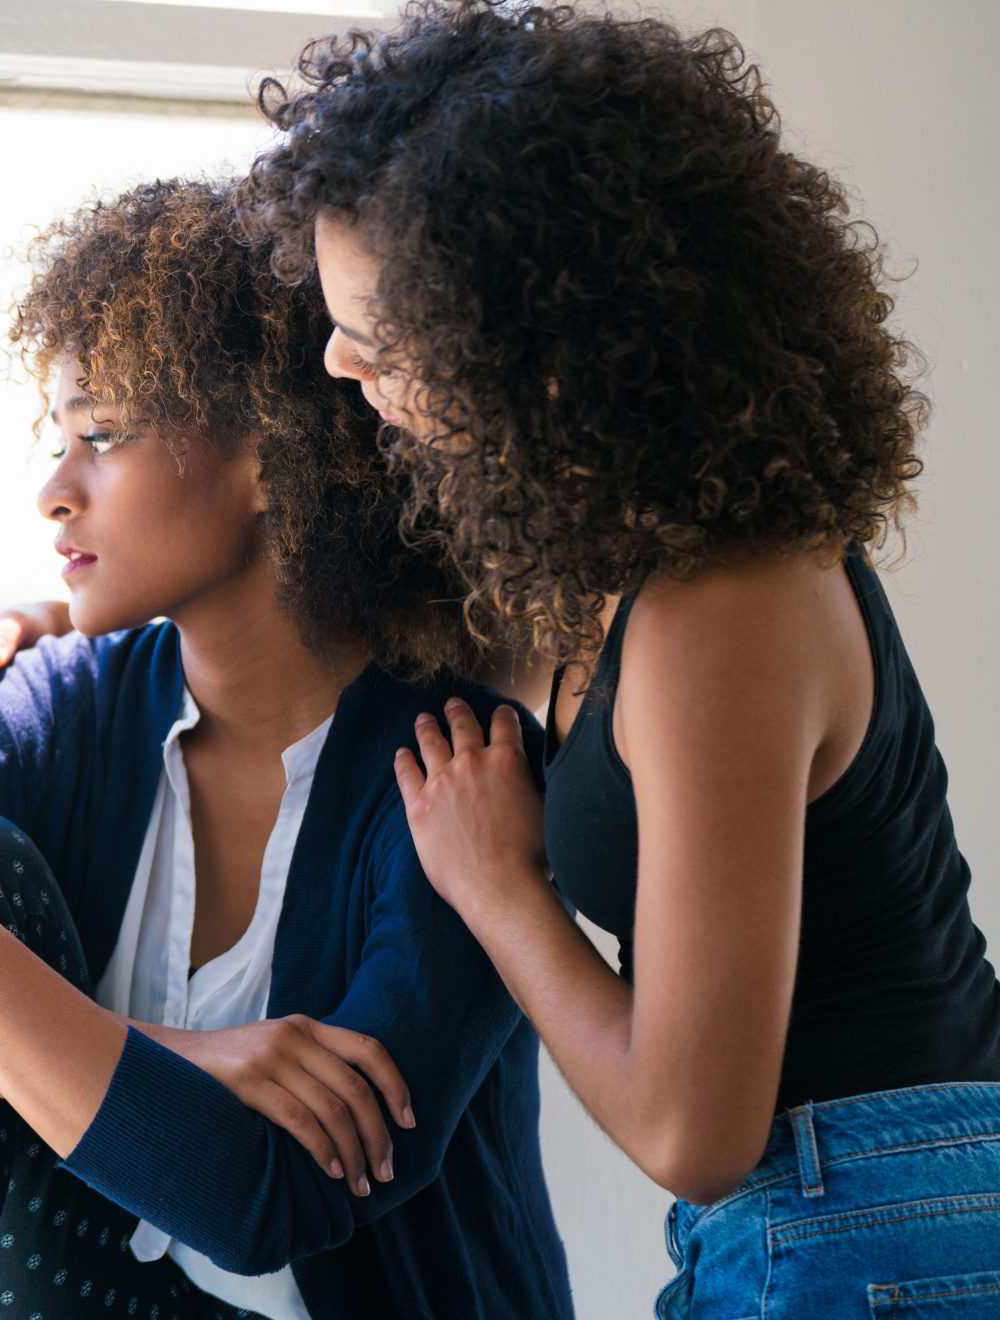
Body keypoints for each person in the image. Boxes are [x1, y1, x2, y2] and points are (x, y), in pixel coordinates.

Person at [0, 178, 571, 1320]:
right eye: (58, 443)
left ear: (265, 457)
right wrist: (176, 1050)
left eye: (100, 436)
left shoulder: (461, 774)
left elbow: (273, 1198)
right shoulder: (55, 705)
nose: (53, 493)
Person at [227, 2, 1000, 1313]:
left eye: (384, 336)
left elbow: (696, 1134)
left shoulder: (723, 612)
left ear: (540, 353)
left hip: (878, 1231)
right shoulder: (608, 575)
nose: (337, 356)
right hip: (824, 1226)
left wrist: (503, 888)